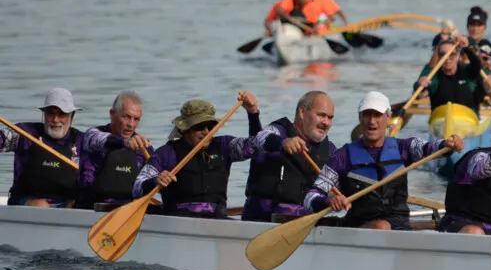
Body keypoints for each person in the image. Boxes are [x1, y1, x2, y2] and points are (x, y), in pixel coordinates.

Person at [303, 91, 465, 230]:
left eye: (377, 115)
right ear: (360, 118)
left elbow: (431, 148)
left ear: (388, 117)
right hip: (359, 228)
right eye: (367, 114)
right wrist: (328, 200)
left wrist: (448, 144)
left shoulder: (404, 148)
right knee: (382, 226)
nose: (371, 121)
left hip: (400, 227)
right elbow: (310, 198)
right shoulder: (342, 157)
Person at [132, 92, 260, 219]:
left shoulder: (224, 146)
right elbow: (137, 187)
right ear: (185, 129)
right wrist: (155, 181)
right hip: (179, 222)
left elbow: (257, 147)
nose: (206, 132)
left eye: (210, 126)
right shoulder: (167, 153)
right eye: (200, 126)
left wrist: (252, 112)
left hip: (218, 221)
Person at [242, 91, 337, 222]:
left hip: (304, 222)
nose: (326, 122)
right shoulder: (278, 131)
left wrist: (332, 199)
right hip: (264, 219)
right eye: (321, 115)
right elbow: (258, 139)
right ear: (302, 112)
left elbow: (333, 188)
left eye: (330, 118)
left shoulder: (330, 150)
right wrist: (283, 142)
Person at [0, 88, 83, 208]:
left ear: (72, 116)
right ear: (44, 114)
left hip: (67, 205)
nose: (55, 120)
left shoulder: (82, 141)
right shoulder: (25, 134)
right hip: (26, 203)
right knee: (41, 205)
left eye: (62, 114)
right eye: (51, 113)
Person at [76, 91, 154, 210]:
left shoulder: (144, 147)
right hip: (90, 207)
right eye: (126, 117)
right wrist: (125, 142)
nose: (131, 124)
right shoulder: (92, 135)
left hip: (128, 209)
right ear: (112, 114)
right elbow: (97, 139)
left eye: (136, 119)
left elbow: (146, 184)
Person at [414, 35, 483, 113]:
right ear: (439, 57)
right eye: (443, 54)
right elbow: (418, 89)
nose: (447, 58)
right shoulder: (434, 77)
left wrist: (467, 48)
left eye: (452, 54)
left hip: (467, 119)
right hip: (440, 120)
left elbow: (477, 65)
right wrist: (420, 84)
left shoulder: (466, 71)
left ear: (457, 55)